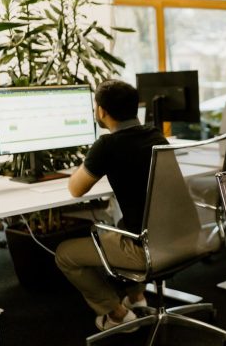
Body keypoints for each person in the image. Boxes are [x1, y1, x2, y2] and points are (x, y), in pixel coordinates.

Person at [55, 80, 168, 332]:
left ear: (101, 111)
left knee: (65, 254)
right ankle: (137, 297)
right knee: (119, 225)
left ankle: (117, 315)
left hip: (143, 248)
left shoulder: (108, 145)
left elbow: (76, 189)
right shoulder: (155, 134)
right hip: (176, 237)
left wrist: (86, 165)